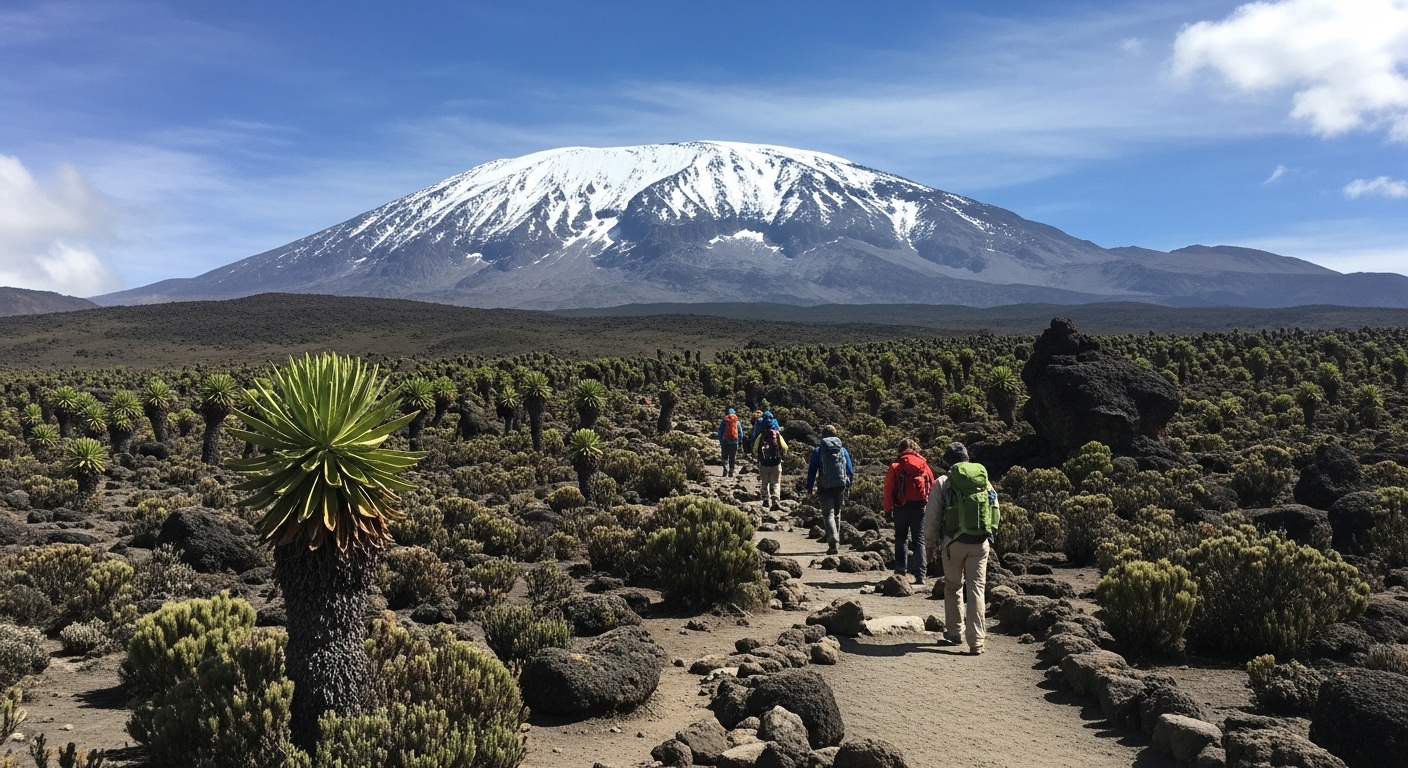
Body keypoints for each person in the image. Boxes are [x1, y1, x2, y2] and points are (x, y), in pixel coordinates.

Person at [924, 442, 1000, 656]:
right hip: (980, 542)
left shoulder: (943, 482)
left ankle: (954, 633)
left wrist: (929, 544)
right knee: (976, 588)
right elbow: (995, 506)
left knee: (953, 586)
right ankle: (977, 642)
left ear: (948, 461)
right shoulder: (982, 479)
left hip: (953, 542)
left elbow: (932, 516)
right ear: (967, 457)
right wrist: (990, 534)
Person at [882, 438, 934, 584]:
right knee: (919, 540)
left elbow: (888, 489)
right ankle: (921, 575)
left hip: (901, 507)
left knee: (901, 538)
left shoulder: (896, 466)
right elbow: (932, 485)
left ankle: (900, 571)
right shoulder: (924, 465)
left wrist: (887, 509)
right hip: (920, 507)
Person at [805, 425, 854, 555]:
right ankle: (836, 541)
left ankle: (833, 542)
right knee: (837, 513)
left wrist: (809, 487)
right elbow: (849, 469)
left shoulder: (818, 451)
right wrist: (849, 485)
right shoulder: (843, 450)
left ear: (823, 436)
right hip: (840, 485)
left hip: (825, 486)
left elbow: (812, 471)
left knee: (828, 515)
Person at [752, 413, 788, 510]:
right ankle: (775, 498)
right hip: (776, 462)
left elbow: (755, 449)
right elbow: (785, 447)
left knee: (765, 481)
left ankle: (765, 499)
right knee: (775, 481)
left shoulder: (761, 435)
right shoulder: (777, 434)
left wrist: (758, 455)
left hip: (764, 462)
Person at [717, 408, 743, 477]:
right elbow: (740, 433)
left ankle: (725, 469)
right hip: (734, 442)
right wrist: (740, 441)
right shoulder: (737, 422)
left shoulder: (724, 421)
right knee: (732, 457)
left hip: (725, 442)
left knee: (725, 457)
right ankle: (731, 471)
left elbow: (720, 432)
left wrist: (721, 440)